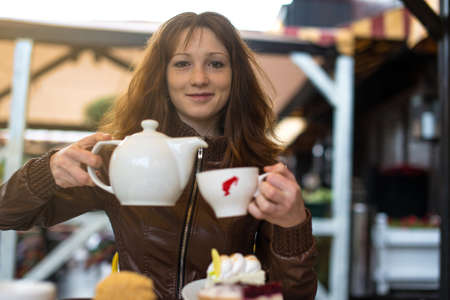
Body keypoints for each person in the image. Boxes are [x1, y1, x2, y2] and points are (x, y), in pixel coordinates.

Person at [0, 12, 317, 300]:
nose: (198, 78)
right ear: (162, 75)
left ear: (236, 76)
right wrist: (47, 171)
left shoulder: (259, 169)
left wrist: (293, 226)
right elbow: (6, 214)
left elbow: (293, 296)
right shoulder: (127, 158)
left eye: (216, 63)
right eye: (182, 63)